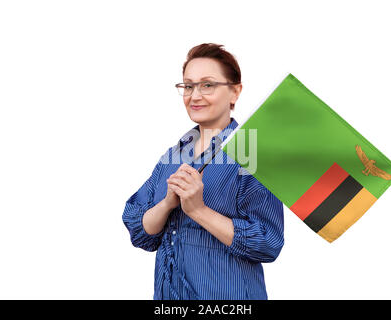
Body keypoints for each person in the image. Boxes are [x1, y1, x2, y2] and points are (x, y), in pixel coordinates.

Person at [122, 43, 284, 300]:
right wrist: (166, 204)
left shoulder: (253, 155)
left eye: (207, 85)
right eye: (188, 86)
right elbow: (140, 231)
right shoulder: (172, 157)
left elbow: (268, 243)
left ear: (235, 92)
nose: (194, 96)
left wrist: (198, 210)